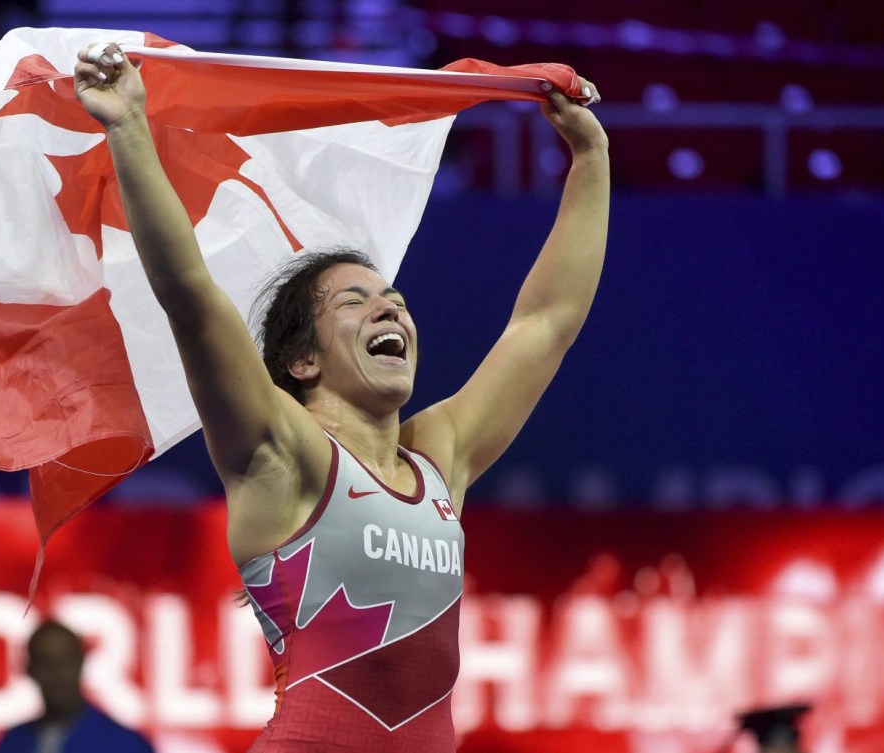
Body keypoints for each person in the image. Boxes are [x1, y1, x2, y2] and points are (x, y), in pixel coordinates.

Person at [73, 43, 608, 751]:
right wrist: (129, 128)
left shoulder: (438, 459)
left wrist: (590, 161)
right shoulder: (281, 451)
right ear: (300, 359)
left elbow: (546, 325)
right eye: (356, 302)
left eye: (395, 300)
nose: (391, 312)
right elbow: (193, 299)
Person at [0, 620, 155, 753]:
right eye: (46, 663)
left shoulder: (124, 745)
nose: (58, 674)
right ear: (30, 670)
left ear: (81, 662)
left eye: (66, 661)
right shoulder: (12, 743)